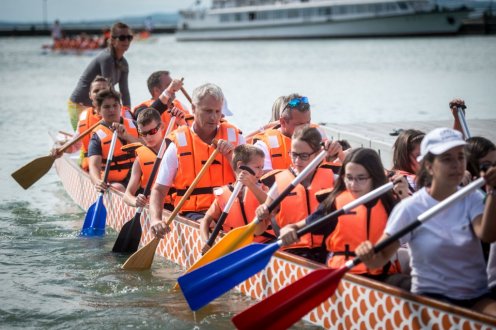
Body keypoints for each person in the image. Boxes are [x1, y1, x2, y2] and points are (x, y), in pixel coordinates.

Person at [355, 128, 496, 316]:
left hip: (475, 296)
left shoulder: (474, 198)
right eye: (447, 158)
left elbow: (487, 235)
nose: (457, 165)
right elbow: (378, 260)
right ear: (429, 166)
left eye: (460, 157)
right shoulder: (410, 208)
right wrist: (366, 253)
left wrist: (493, 191)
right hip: (431, 298)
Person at [273, 148, 409, 284]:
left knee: (408, 285)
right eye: (349, 178)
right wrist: (289, 229)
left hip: (381, 275)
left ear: (374, 177)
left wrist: (405, 196)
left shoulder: (390, 204)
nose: (353, 185)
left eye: (361, 178)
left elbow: (415, 229)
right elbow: (299, 226)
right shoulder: (335, 202)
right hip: (342, 275)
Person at [149, 83, 245, 238]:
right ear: (193, 109)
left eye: (217, 111)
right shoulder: (178, 144)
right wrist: (155, 220)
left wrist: (230, 156)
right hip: (195, 213)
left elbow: (249, 181)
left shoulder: (235, 137)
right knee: (211, 226)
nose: (214, 117)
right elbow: (159, 190)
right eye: (208, 111)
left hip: (230, 209)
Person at [255, 126, 344, 263]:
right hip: (293, 253)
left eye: (304, 156)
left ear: (318, 154)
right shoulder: (280, 183)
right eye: (294, 155)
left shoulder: (332, 178)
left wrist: (340, 154)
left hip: (327, 251)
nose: (297, 161)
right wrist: (261, 212)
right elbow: (262, 222)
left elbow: (359, 181)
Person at [200, 144, 268, 254]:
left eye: (262, 167)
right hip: (234, 247)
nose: (262, 172)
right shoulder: (223, 194)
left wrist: (250, 185)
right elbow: (206, 220)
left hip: (261, 245)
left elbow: (272, 205)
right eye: (257, 167)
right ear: (241, 166)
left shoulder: (263, 190)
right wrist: (206, 241)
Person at [68, 22, 133, 130]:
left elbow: (124, 92)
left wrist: (128, 115)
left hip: (98, 107)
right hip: (78, 105)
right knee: (86, 140)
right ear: (112, 40)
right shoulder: (107, 59)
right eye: (122, 38)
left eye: (129, 37)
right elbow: (108, 90)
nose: (126, 41)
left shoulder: (124, 63)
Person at [252, 93, 338, 172]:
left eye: (308, 122)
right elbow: (264, 178)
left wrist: (336, 153)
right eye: (299, 124)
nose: (306, 128)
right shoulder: (263, 145)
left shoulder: (319, 133)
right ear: (283, 122)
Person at [87, 89, 141, 193]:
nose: (112, 109)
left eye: (115, 105)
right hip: (117, 183)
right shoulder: (97, 136)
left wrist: (127, 136)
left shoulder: (134, 125)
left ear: (120, 107)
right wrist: (97, 181)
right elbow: (93, 166)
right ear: (98, 110)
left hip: (139, 178)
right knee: (118, 188)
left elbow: (148, 147)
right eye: (106, 107)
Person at [122, 108, 176, 211]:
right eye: (143, 134)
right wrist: (135, 201)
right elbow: (127, 196)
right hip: (154, 207)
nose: (148, 137)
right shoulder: (140, 160)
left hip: (177, 207)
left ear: (162, 127)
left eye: (152, 131)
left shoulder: (175, 150)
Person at [76, 76, 110, 170]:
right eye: (96, 91)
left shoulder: (123, 115)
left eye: (104, 89)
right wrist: (62, 149)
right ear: (90, 95)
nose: (100, 93)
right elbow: (76, 144)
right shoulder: (84, 116)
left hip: (117, 169)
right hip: (91, 168)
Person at [391, 129, 425, 193]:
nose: (426, 160)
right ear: (405, 157)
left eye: (429, 154)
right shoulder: (408, 182)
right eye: (419, 156)